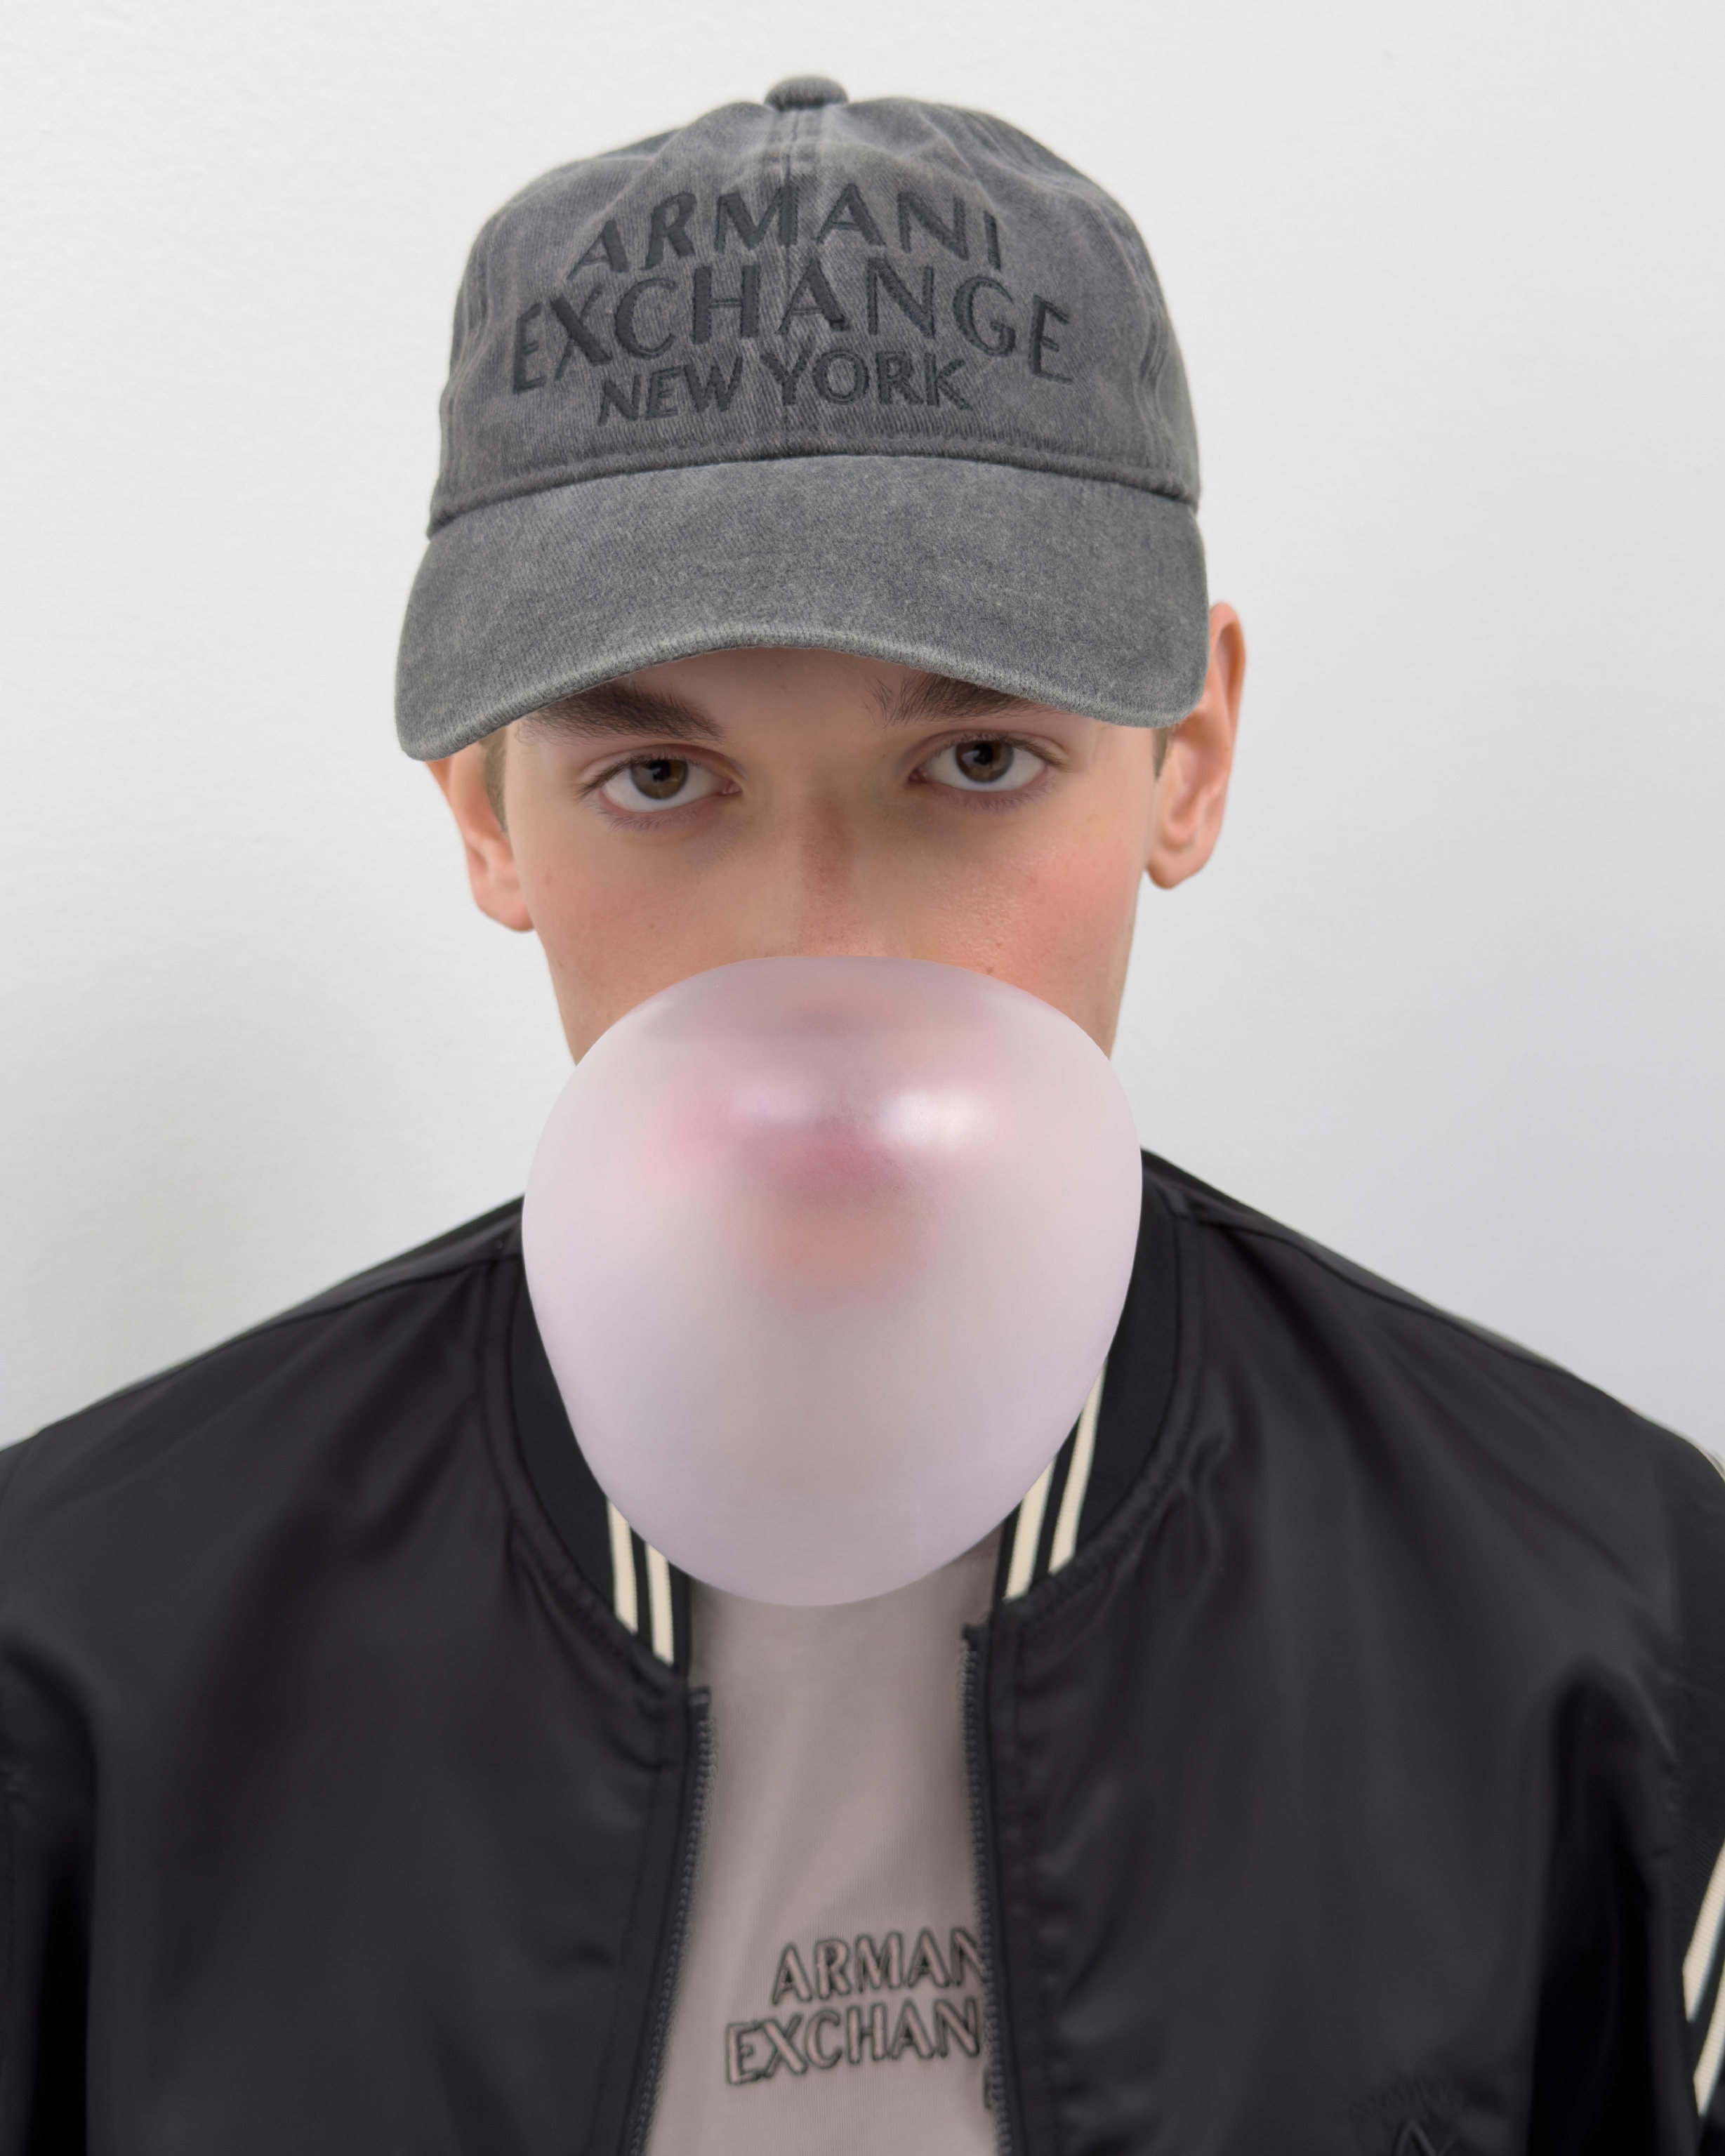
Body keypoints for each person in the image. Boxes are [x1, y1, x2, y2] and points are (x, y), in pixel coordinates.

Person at [1, 74, 1719, 2156]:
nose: (822, 949)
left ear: (1187, 755)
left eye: (974, 761)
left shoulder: (1605, 1626)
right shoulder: (74, 1657)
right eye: (662, 779)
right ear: (486, 815)